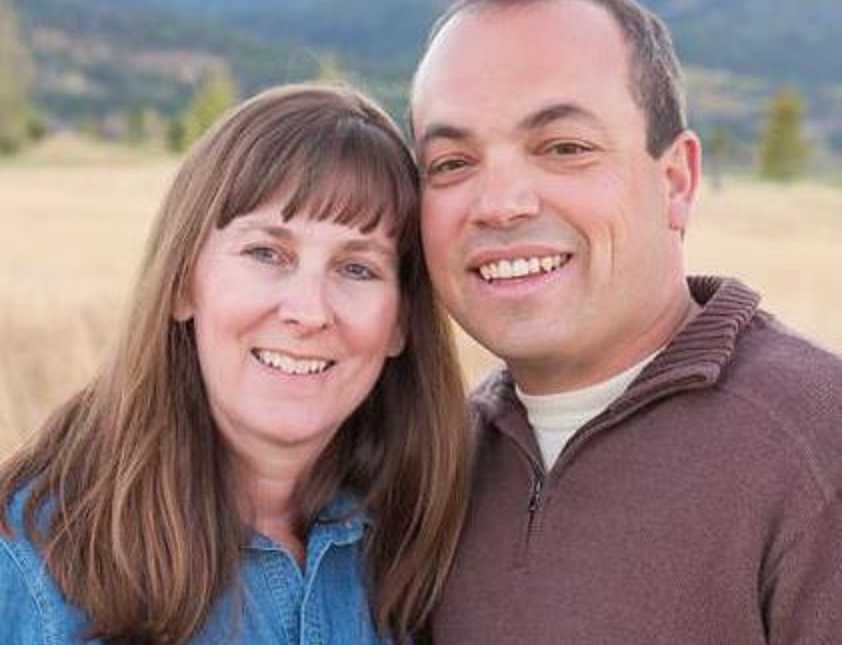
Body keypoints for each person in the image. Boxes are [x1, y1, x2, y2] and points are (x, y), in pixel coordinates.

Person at [410, 0, 842, 643]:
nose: (499, 205)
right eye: (451, 163)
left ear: (675, 181)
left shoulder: (819, 444)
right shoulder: (435, 465)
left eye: (563, 148)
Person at [0, 83, 471, 644]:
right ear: (182, 284)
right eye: (267, 254)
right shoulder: (32, 564)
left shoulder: (426, 543)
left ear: (399, 322)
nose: (308, 311)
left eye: (357, 268)